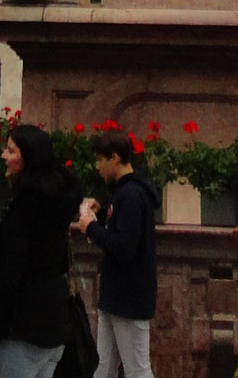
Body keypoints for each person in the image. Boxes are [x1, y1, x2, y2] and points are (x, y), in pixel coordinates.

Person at [0, 122, 81, 378]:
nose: (3, 156)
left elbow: (12, 271)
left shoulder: (26, 206)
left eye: (11, 151)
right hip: (55, 322)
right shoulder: (56, 201)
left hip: (26, 326)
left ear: (28, 158)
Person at [78, 127, 159, 378]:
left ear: (114, 158)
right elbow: (121, 228)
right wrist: (101, 214)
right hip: (117, 295)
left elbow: (124, 247)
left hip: (129, 297)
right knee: (102, 366)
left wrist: (90, 227)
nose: (97, 166)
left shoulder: (131, 194)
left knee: (137, 370)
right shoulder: (126, 192)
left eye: (100, 159)